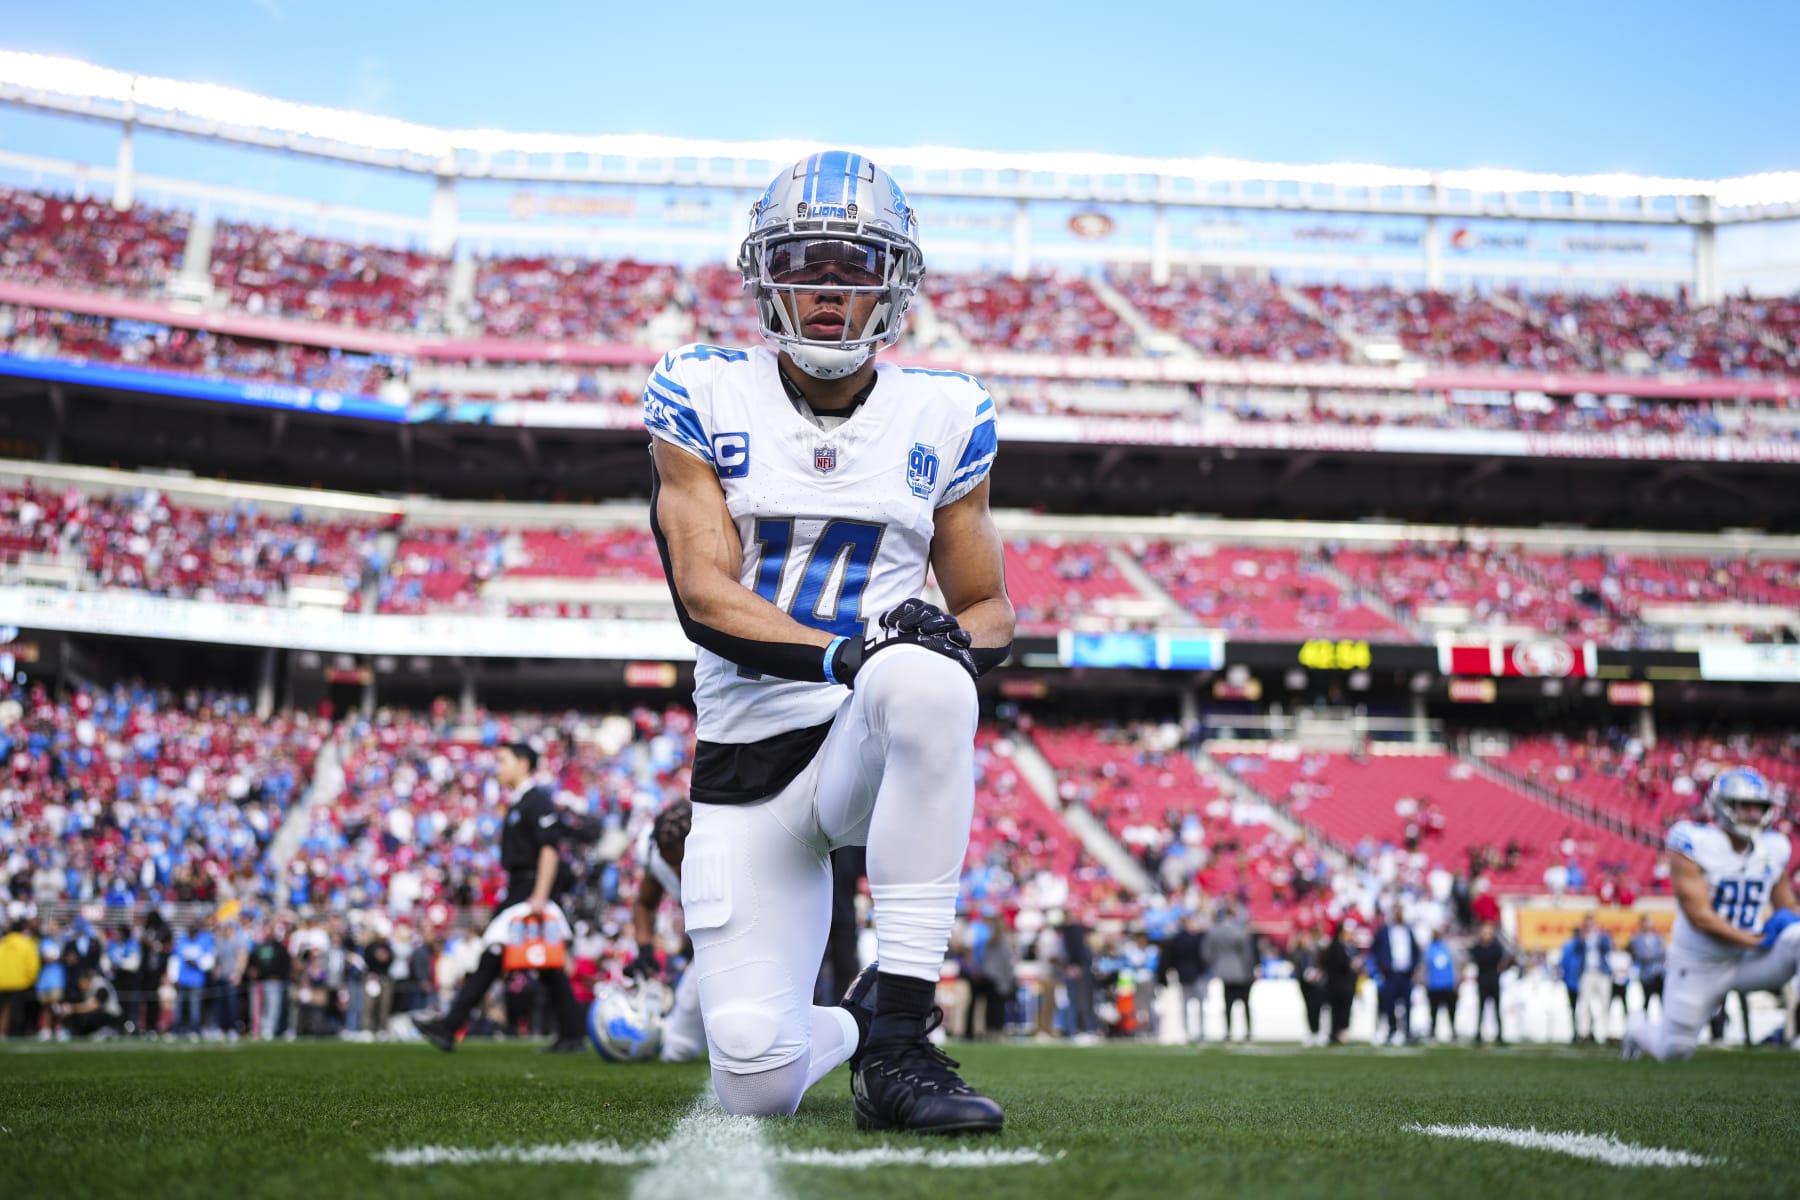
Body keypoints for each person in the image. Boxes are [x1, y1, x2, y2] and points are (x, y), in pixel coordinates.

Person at [645, 151, 1013, 1133]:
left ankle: (899, 1037)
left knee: (929, 678)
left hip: (865, 741)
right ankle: (851, 1027)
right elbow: (704, 595)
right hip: (747, 777)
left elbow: (991, 609)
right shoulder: (701, 391)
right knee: (755, 1083)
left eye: (852, 268)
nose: (827, 290)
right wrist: (847, 650)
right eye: (806, 264)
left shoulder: (947, 410)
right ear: (767, 273)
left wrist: (932, 641)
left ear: (892, 284)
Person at [413, 742, 587, 1053]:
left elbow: (550, 848)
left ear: (523, 763)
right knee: (545, 965)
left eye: (503, 760)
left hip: (530, 891)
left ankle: (450, 1024)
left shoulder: (537, 800)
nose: (498, 766)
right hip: (521, 889)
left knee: (494, 954)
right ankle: (572, 1034)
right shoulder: (521, 802)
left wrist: (539, 896)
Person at [1625, 769, 1800, 1061]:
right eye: (1745, 806)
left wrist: (1782, 926)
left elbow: (1786, 907)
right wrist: (1753, 940)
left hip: (1748, 961)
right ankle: (1636, 1031)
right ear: (1723, 805)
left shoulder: (1774, 847)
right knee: (1674, 1050)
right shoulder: (1693, 841)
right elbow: (1700, 916)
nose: (1753, 814)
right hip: (1700, 963)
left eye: (1759, 807)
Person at [624, 799, 707, 1063]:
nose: (675, 870)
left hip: (747, 937)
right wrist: (645, 947)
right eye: (669, 861)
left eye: (679, 861)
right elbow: (645, 903)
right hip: (706, 944)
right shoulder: (656, 856)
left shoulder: (722, 852)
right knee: (677, 1049)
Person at [1204, 903, 1256, 1043]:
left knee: (1228, 1004)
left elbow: (1206, 953)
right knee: (1245, 1004)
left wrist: (1216, 965)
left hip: (1224, 973)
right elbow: (1247, 955)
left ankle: (1228, 1032)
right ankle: (1248, 1032)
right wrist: (1250, 971)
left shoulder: (1215, 931)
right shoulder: (1240, 931)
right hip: (1242, 973)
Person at [1370, 909, 1419, 1045]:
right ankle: (1392, 1030)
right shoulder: (1384, 931)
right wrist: (1382, 966)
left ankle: (1407, 1031)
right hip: (1390, 973)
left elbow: (1415, 951)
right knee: (1389, 1002)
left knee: (1407, 1003)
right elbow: (1376, 949)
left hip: (1405, 973)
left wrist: (1413, 966)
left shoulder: (1408, 931)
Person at [1161, 913, 1209, 1045]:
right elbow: (1203, 958)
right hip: (1196, 976)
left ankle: (1188, 1032)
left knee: (1187, 1006)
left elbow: (1170, 959)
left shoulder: (1177, 939)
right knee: (1197, 1005)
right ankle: (1199, 1032)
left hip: (1184, 976)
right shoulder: (1196, 939)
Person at [1467, 920, 1512, 1045]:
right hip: (1483, 981)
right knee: (1481, 1009)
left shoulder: (1496, 948)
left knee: (1497, 1009)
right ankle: (1479, 1034)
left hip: (1494, 981)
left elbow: (1502, 960)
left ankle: (1500, 1034)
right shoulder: (1478, 948)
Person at [1321, 921, 1361, 1045]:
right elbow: (1335, 964)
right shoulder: (1335, 947)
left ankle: (1341, 1032)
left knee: (1344, 1009)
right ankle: (1336, 1033)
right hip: (1337, 985)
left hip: (1346, 985)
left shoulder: (1351, 947)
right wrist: (1349, 965)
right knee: (1337, 1010)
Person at [1290, 929, 1327, 1047]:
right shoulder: (1298, 953)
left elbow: (1322, 966)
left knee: (1317, 1007)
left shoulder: (1315, 952)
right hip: (1305, 985)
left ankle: (1318, 1031)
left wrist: (1316, 975)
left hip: (1316, 985)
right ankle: (1312, 1031)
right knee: (1309, 1008)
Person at [1422, 928, 1459, 1042]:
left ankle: (1453, 1031)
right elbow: (1425, 967)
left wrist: (1456, 982)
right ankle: (1432, 1031)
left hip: (1448, 984)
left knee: (1451, 1010)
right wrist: (1425, 982)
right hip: (1434, 985)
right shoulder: (1428, 949)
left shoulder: (1447, 948)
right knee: (1433, 1011)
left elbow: (1455, 964)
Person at [1627, 915, 1666, 1018]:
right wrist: (1655, 954)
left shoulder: (1659, 938)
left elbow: (1663, 954)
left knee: (1663, 1002)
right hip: (1646, 975)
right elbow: (1640, 955)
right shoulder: (1636, 939)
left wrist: (1650, 955)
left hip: (1659, 974)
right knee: (1646, 1002)